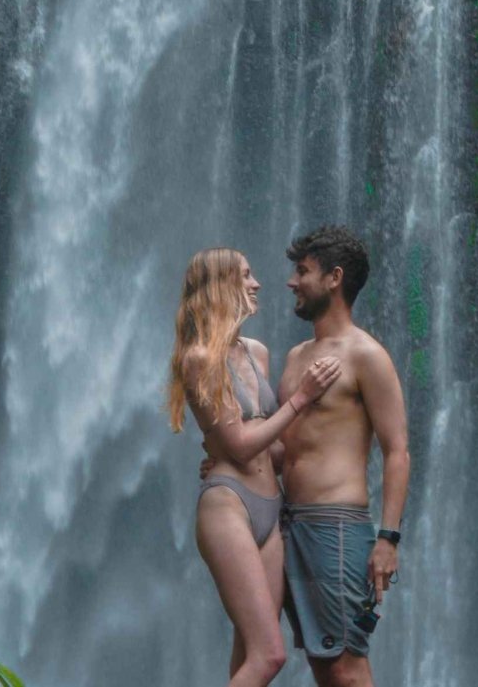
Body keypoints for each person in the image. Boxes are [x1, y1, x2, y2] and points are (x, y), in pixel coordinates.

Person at [168, 247, 342, 687]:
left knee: (249, 652)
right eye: (245, 275)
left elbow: (271, 448)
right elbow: (243, 446)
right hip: (230, 508)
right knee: (270, 655)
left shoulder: (257, 353)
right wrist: (302, 398)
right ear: (220, 286)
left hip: (271, 506)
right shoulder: (199, 359)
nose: (257, 283)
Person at [275, 225, 411, 687]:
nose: (293, 282)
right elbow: (287, 445)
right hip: (289, 521)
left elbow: (397, 451)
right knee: (323, 664)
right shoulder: (296, 357)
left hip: (336, 527)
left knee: (347, 669)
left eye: (303, 271)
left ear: (334, 278)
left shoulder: (366, 355)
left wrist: (388, 540)